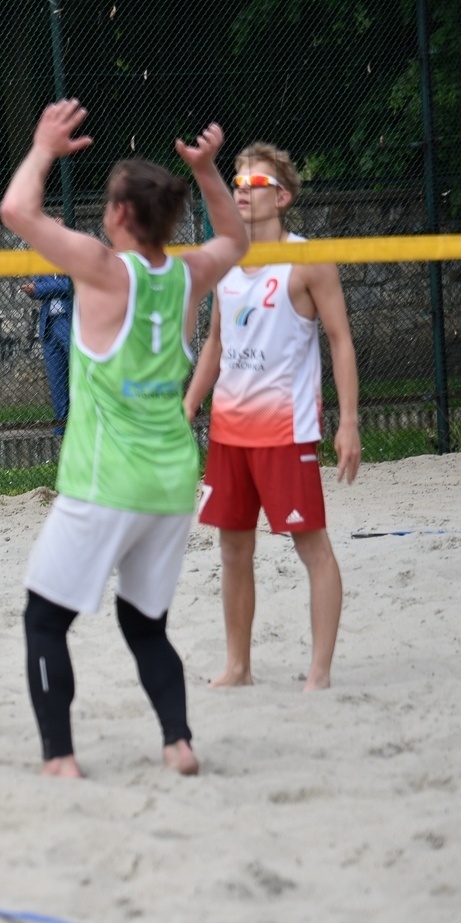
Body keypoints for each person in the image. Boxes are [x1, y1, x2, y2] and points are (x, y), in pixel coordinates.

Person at [0, 100, 248, 779]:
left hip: (106, 480)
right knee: (145, 626)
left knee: (44, 622)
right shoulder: (188, 273)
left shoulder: (106, 270)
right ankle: (178, 742)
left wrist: (45, 145)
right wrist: (208, 172)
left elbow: (18, 211)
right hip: (171, 482)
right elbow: (236, 241)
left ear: (118, 216)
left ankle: (60, 759)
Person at [182, 142, 361, 692]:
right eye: (235, 181)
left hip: (287, 430)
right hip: (231, 432)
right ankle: (239, 666)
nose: (240, 189)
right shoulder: (228, 258)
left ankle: (319, 671)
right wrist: (189, 406)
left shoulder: (306, 260)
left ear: (281, 197)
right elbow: (215, 342)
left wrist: (349, 421)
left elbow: (340, 340)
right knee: (233, 548)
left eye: (252, 183)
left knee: (312, 546)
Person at [20, 274, 73, 434]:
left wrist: (43, 287)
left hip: (69, 322)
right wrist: (35, 290)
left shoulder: (73, 253)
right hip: (49, 327)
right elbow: (35, 288)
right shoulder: (44, 258)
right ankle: (61, 431)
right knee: (57, 383)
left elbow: (71, 285)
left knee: (79, 378)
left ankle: (84, 427)